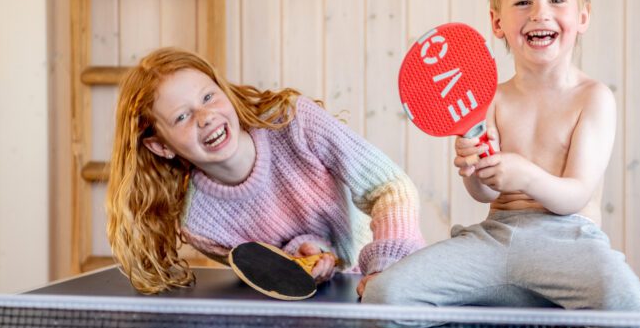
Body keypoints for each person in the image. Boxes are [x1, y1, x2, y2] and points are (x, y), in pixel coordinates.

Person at [363, 0, 640, 328]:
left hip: (568, 242)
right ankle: (509, 296)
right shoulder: (490, 98)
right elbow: (484, 194)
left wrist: (524, 174)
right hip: (496, 239)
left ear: (583, 16)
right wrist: (473, 169)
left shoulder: (593, 98)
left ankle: (511, 296)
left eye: (556, 0)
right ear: (497, 22)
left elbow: (575, 195)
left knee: (627, 309)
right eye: (522, 2)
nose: (539, 13)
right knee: (382, 298)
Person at [107, 47, 424, 296]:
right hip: (319, 319)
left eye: (208, 97)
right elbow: (276, 272)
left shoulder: (295, 121)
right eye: (181, 117)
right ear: (161, 146)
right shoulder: (202, 225)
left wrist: (385, 266)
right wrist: (307, 257)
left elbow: (390, 189)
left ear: (224, 90)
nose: (205, 117)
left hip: (397, 278)